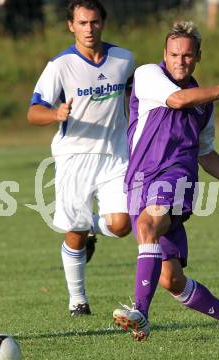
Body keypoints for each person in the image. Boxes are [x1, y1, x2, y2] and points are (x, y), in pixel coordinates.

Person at [113, 21, 219, 341]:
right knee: (172, 280)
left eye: (187, 55)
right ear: (164, 55)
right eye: (174, 54)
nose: (180, 61)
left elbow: (205, 153)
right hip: (138, 182)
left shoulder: (204, 106)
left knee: (147, 225)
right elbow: (178, 100)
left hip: (176, 179)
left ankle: (140, 312)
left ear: (198, 57)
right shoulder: (147, 75)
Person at [27, 0, 134, 316]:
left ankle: (91, 230)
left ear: (104, 22)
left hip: (116, 155)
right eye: (83, 23)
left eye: (95, 22)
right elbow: (33, 113)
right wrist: (55, 113)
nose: (90, 28)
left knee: (123, 224)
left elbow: (134, 99)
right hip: (74, 157)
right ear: (70, 26)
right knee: (74, 231)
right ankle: (78, 300)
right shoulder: (59, 66)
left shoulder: (123, 59)